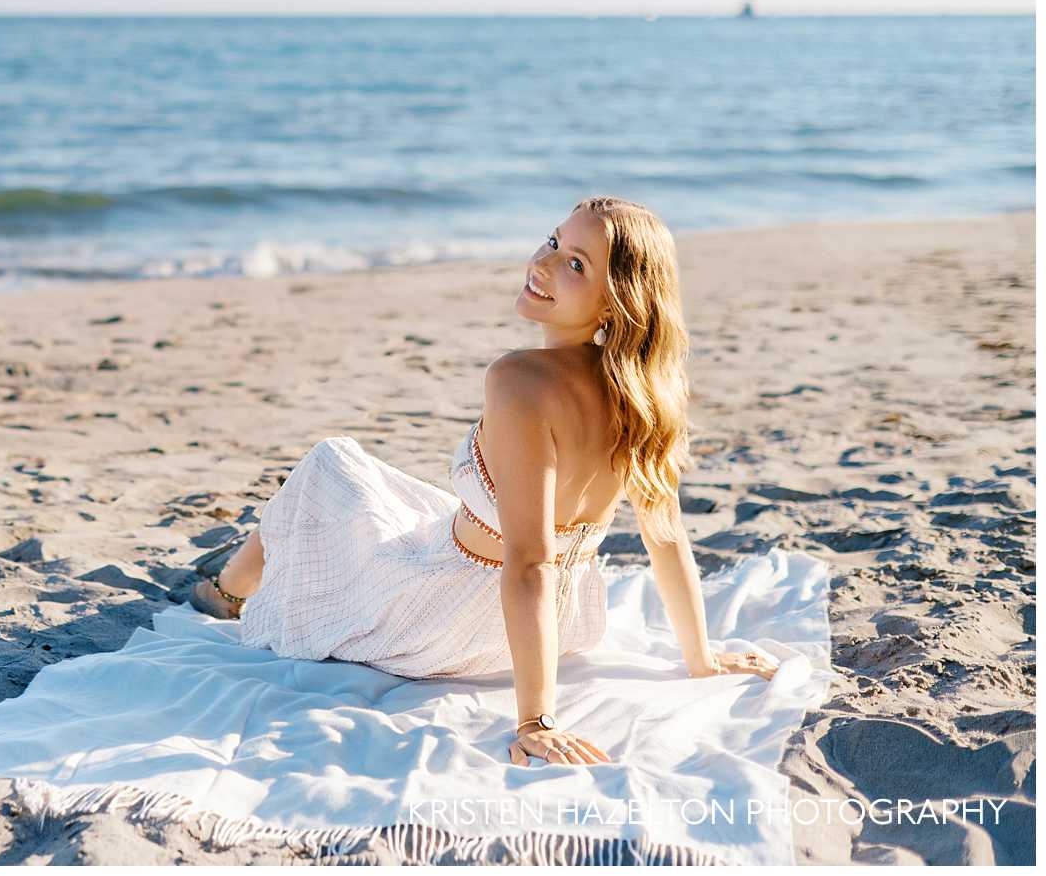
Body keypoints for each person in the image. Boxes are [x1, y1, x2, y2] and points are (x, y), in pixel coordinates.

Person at [190, 195, 779, 768]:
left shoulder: (519, 378)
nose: (543, 264)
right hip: (563, 624)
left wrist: (536, 722)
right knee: (396, 499)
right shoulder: (646, 392)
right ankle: (240, 574)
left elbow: (530, 560)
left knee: (329, 466)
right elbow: (666, 537)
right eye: (553, 242)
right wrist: (699, 657)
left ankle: (228, 593)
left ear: (613, 304)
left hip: (449, 618)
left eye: (576, 264)